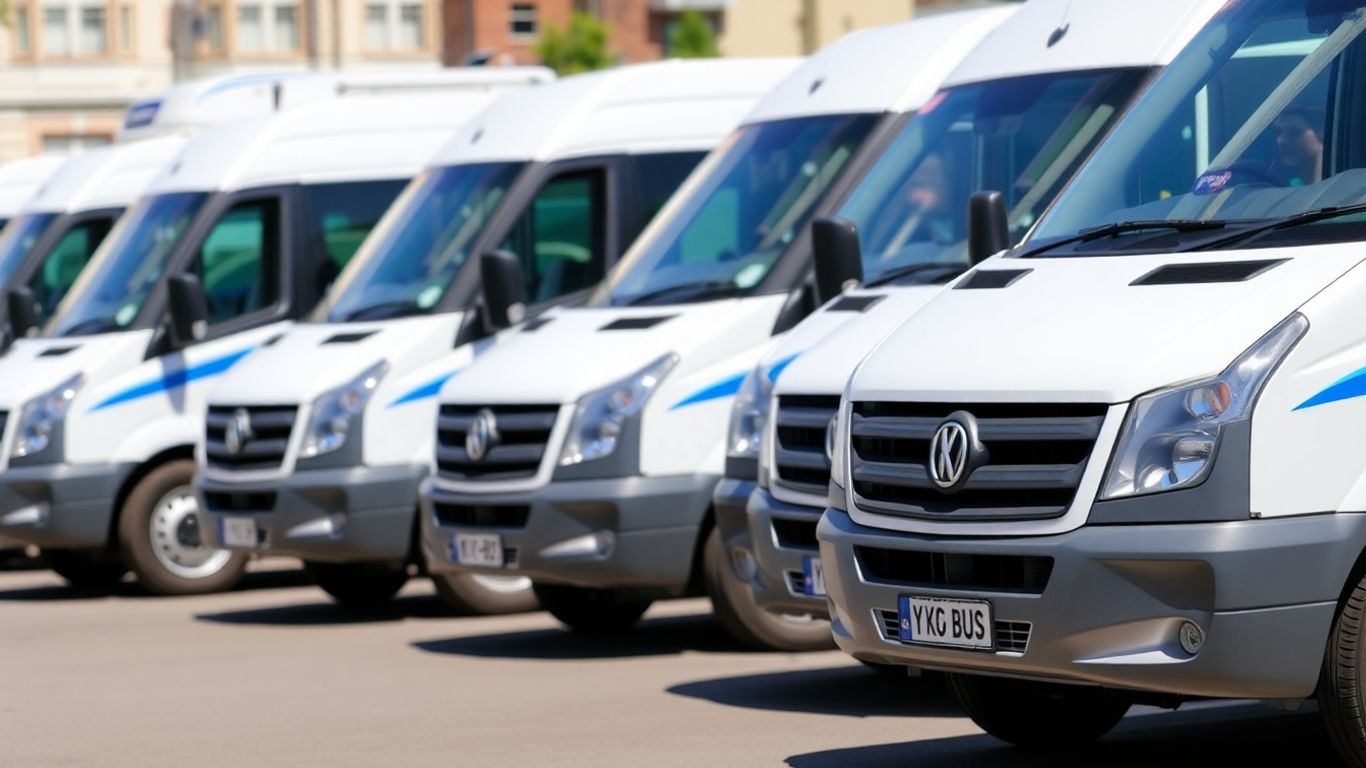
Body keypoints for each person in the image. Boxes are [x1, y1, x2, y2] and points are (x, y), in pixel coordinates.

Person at [1272, 104, 1325, 186]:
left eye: (1294, 132)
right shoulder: (1288, 189)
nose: (1282, 141)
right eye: (1278, 132)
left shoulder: (1342, 177)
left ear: (1321, 133)